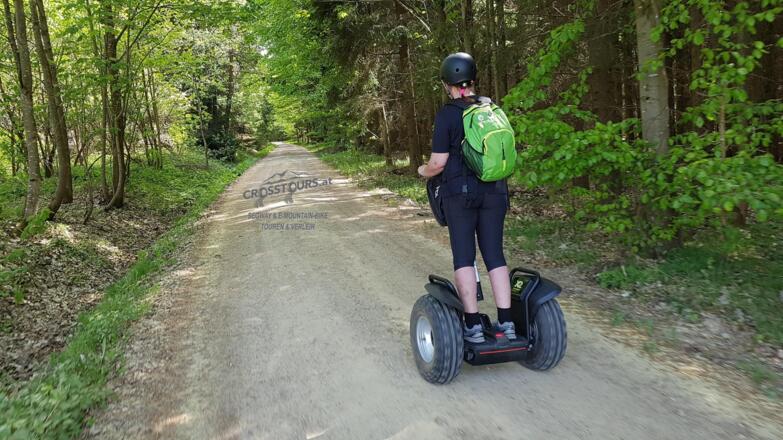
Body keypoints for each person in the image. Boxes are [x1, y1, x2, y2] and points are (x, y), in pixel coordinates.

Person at [417, 52, 514, 343]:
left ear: (448, 83)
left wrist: (422, 171)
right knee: (495, 254)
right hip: (495, 191)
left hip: (460, 195)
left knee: (464, 256)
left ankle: (472, 326)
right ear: (473, 80)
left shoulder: (447, 114)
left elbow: (438, 164)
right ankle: (507, 323)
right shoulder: (492, 108)